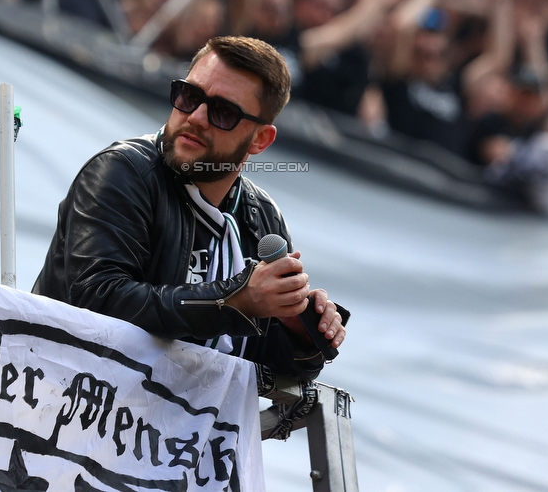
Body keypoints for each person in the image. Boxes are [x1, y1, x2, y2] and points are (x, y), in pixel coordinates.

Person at [33, 35, 347, 381]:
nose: (196, 117)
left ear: (260, 139)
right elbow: (96, 297)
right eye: (189, 96)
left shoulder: (263, 218)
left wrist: (297, 333)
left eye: (223, 112)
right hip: (65, 409)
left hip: (175, 430)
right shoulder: (123, 172)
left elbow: (261, 368)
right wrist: (234, 300)